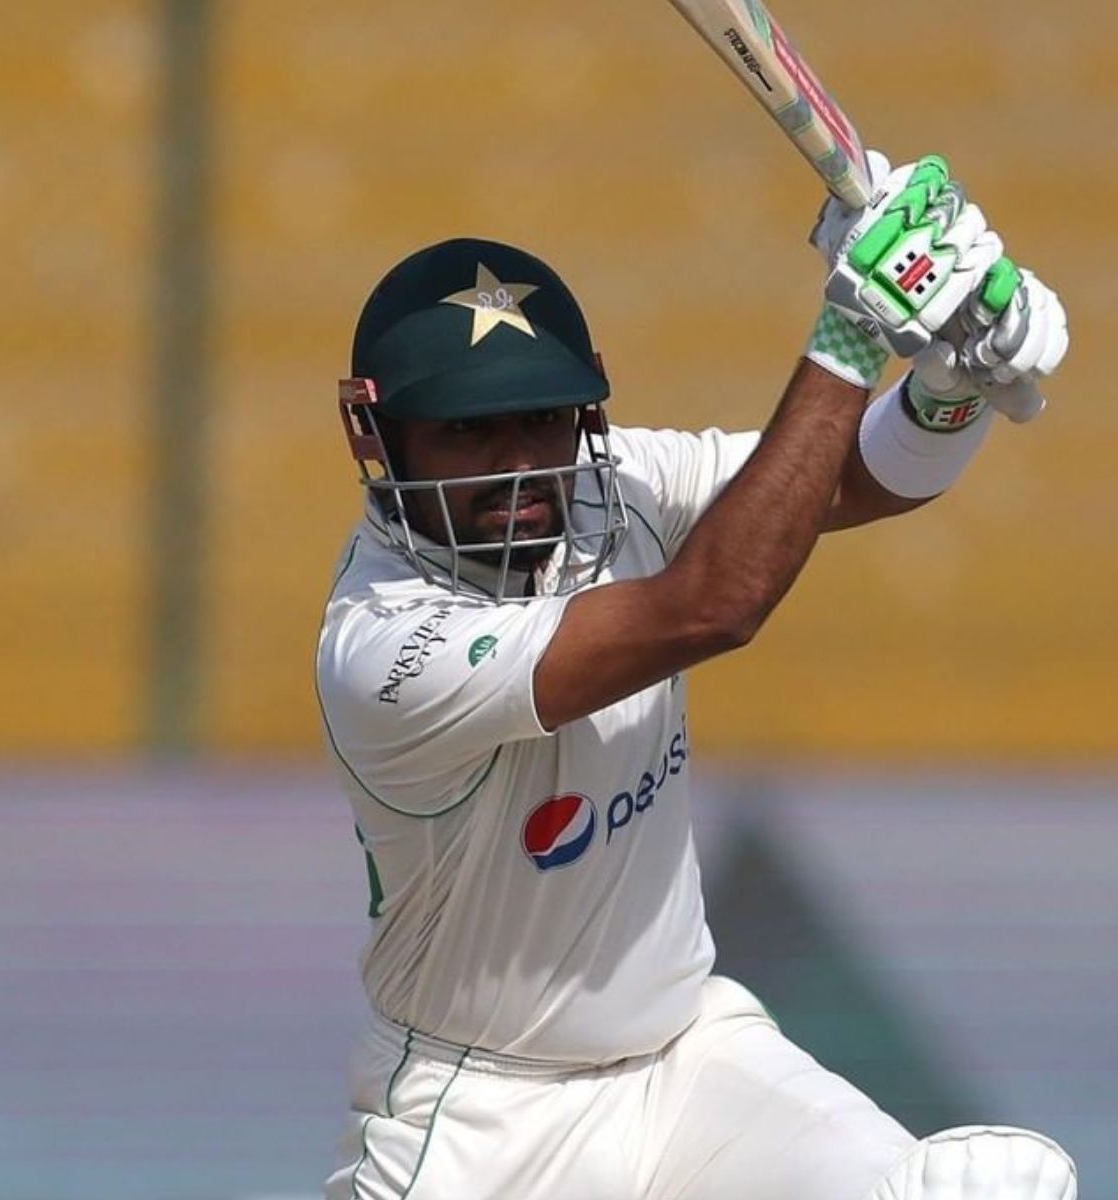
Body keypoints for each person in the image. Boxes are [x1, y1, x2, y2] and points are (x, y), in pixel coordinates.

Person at [315, 152, 1073, 1200]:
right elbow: (712, 604)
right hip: (483, 1122)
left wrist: (947, 384)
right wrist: (854, 328)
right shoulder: (384, 647)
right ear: (374, 432)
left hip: (688, 1062)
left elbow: (835, 477)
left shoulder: (611, 486)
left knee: (985, 1187)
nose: (520, 464)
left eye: (543, 416)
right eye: (466, 431)